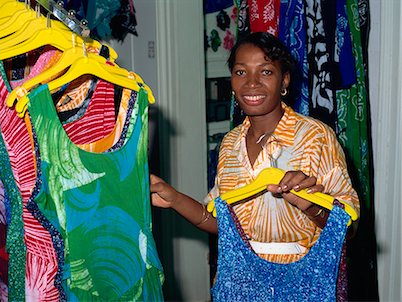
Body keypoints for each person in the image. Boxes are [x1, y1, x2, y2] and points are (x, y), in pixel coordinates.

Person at [150, 32, 359, 264]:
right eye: (241, 72)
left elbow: (349, 230)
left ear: (285, 80)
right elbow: (222, 223)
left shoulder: (314, 137)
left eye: (266, 71)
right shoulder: (230, 143)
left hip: (299, 279)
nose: (251, 82)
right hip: (238, 279)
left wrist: (309, 204)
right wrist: (174, 199)